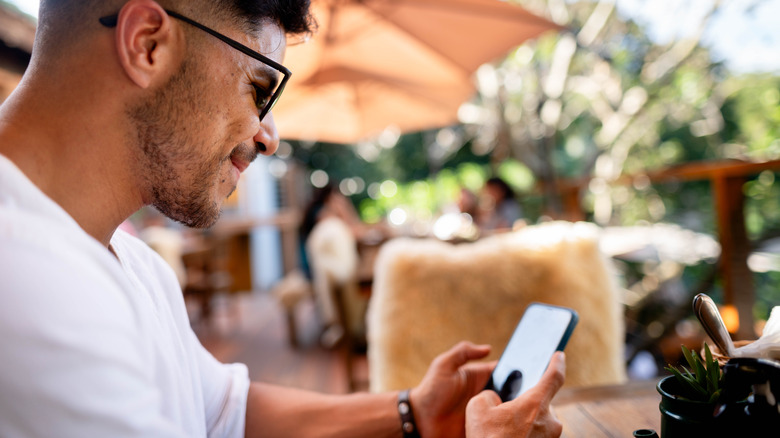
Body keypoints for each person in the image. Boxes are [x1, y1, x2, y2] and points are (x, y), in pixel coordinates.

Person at [0, 1, 565, 437]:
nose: (269, 136)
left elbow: (228, 412)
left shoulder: (126, 263)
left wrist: (412, 411)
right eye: (259, 87)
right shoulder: (28, 279)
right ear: (147, 43)